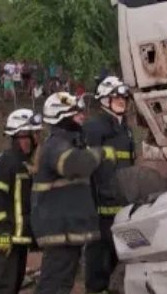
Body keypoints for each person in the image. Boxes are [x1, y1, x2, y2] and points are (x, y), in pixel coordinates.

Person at [31, 92, 110, 293]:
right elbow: (78, 165)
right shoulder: (56, 145)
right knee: (54, 285)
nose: (82, 116)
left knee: (62, 285)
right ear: (61, 116)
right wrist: (99, 153)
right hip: (60, 229)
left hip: (67, 229)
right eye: (76, 112)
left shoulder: (68, 143)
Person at [0, 109, 43, 294]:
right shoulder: (5, 163)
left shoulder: (25, 164)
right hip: (1, 242)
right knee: (1, 289)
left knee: (12, 287)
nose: (38, 138)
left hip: (16, 241)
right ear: (22, 135)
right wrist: (2, 231)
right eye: (35, 133)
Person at [83, 77, 135, 294]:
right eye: (116, 96)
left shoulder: (125, 130)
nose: (122, 100)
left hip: (123, 206)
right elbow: (87, 169)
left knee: (116, 257)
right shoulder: (94, 127)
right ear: (104, 99)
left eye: (124, 96)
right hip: (100, 210)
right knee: (98, 260)